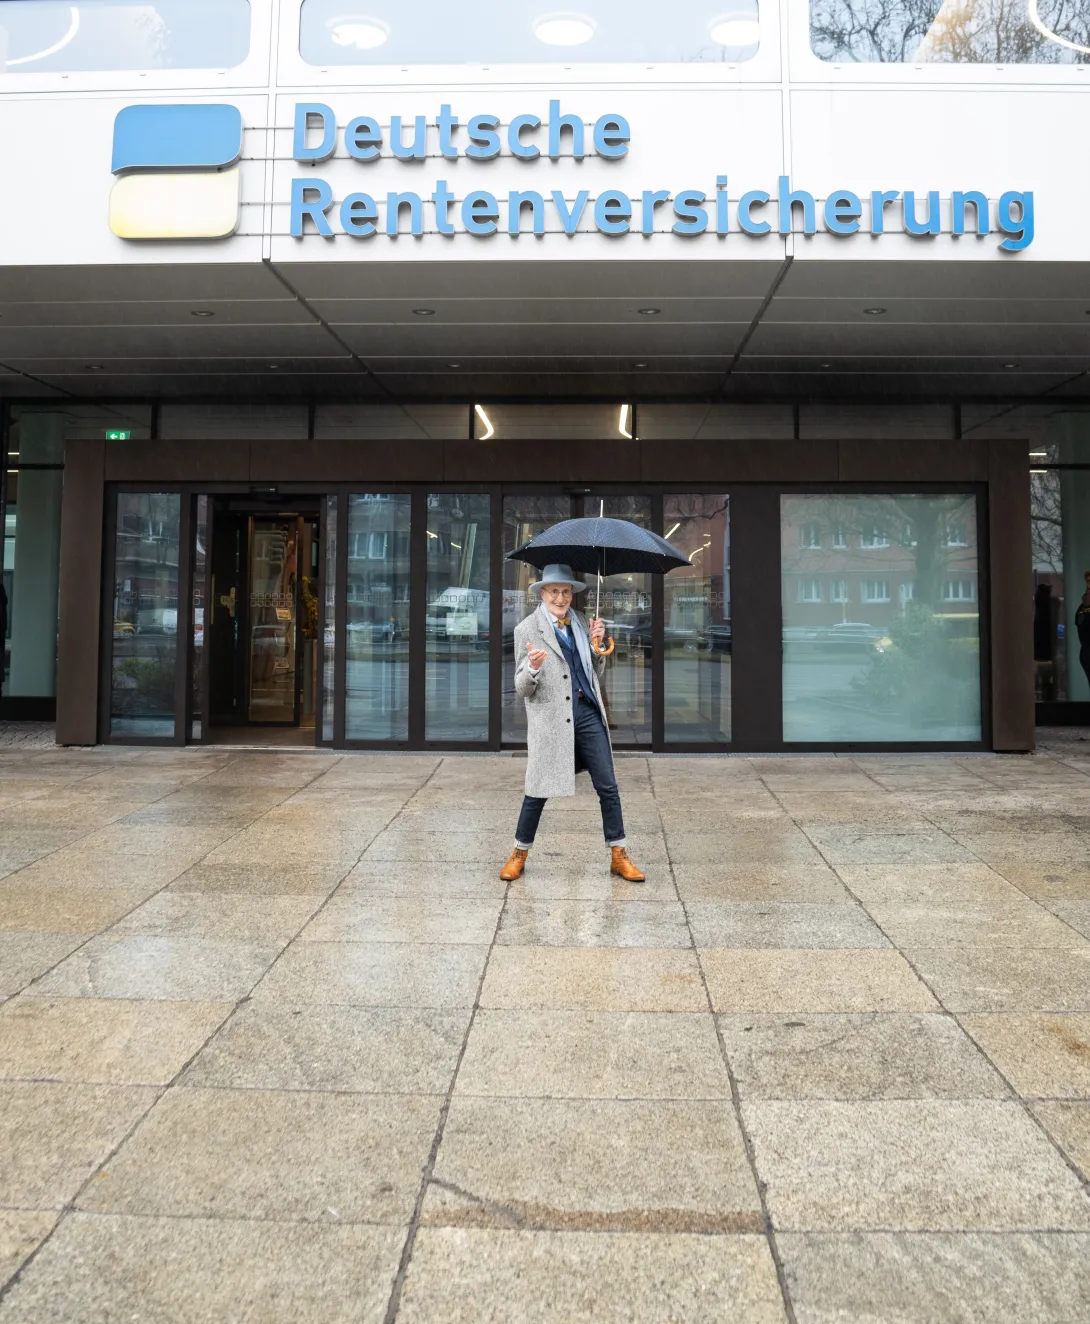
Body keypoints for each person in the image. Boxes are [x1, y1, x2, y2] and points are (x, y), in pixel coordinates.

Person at [499, 564, 645, 883]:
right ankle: (519, 854)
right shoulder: (526, 629)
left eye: (566, 592)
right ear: (542, 593)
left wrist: (597, 643)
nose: (561, 598)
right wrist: (533, 668)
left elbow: (594, 670)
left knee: (607, 785)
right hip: (552, 720)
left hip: (588, 713)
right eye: (555, 591)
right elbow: (522, 687)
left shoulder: (579, 622)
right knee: (537, 789)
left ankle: (619, 855)